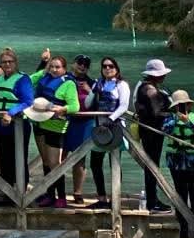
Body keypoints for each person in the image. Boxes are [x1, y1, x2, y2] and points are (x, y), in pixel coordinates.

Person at [29, 53, 79, 208]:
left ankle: (61, 197)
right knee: (45, 162)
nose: (54, 70)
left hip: (56, 126)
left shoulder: (69, 84)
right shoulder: (45, 78)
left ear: (64, 69)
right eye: (52, 67)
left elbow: (75, 106)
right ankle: (49, 194)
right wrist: (43, 69)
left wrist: (63, 108)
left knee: (54, 164)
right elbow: (29, 81)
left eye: (58, 67)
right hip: (39, 124)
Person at [88, 56, 131, 208]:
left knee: (115, 163)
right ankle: (101, 198)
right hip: (99, 127)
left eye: (111, 66)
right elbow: (88, 103)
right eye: (104, 66)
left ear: (116, 68)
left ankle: (115, 198)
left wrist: (111, 119)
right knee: (95, 163)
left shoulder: (121, 85)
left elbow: (124, 106)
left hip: (115, 127)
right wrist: (93, 91)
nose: (107, 69)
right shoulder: (98, 83)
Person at [0, 48, 34, 200]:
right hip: (0, 125)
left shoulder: (22, 79)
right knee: (4, 159)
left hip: (18, 125)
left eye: (10, 61)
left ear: (15, 63)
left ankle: (22, 192)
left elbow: (28, 102)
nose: (7, 64)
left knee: (19, 158)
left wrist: (11, 112)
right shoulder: (0, 79)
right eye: (4, 62)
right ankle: (9, 193)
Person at [163, 90, 194, 238]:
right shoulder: (170, 119)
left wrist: (188, 122)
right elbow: (165, 131)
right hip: (176, 162)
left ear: (189, 105)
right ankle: (183, 228)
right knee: (180, 195)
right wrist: (176, 119)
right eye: (179, 105)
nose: (181, 107)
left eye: (184, 104)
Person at [134, 58, 173, 213]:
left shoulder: (143, 87)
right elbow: (157, 112)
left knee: (151, 166)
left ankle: (153, 199)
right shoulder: (150, 90)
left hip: (148, 131)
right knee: (152, 166)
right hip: (152, 132)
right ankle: (152, 202)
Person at [64, 55, 96, 204]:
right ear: (73, 64)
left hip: (85, 122)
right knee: (59, 156)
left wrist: (90, 90)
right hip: (67, 120)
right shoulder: (64, 78)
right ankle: (57, 191)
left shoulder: (92, 82)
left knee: (80, 158)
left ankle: (78, 192)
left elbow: (100, 102)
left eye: (85, 64)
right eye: (79, 63)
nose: (82, 66)